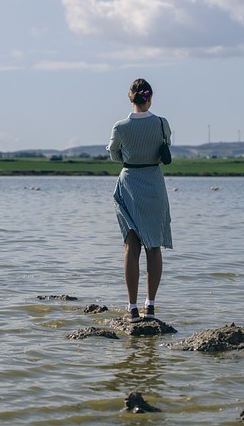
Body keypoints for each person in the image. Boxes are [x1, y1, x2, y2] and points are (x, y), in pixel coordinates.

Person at [107, 78, 173, 322]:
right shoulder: (161, 124)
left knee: (130, 247)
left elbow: (114, 154)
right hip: (154, 184)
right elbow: (165, 146)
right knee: (153, 247)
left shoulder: (120, 127)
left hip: (129, 182)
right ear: (150, 97)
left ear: (129, 97)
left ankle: (132, 307)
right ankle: (151, 306)